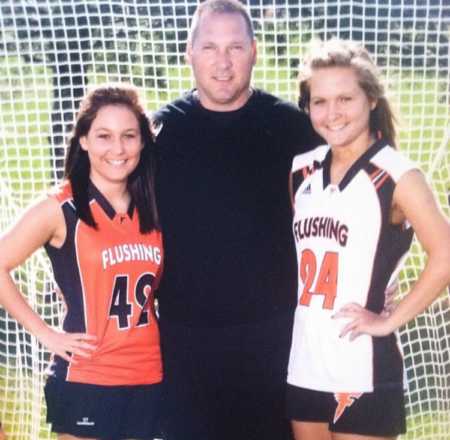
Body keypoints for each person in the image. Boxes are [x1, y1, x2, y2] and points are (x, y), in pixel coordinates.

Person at [152, 1, 321, 439]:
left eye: (235, 47)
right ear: (189, 52)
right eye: (209, 47)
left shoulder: (291, 128)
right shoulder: (160, 132)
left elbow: (343, 204)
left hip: (274, 335)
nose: (223, 62)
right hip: (184, 341)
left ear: (255, 52)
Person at [286, 38, 450, 440]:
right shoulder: (301, 172)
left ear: (371, 99)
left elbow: (445, 253)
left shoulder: (397, 175)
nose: (332, 113)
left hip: (364, 364)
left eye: (345, 98)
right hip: (306, 361)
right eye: (319, 101)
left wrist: (388, 319)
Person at [0, 84, 164, 439]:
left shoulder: (153, 204)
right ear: (84, 140)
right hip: (87, 377)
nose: (118, 149)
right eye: (104, 136)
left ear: (142, 142)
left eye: (129, 136)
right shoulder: (61, 207)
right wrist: (46, 334)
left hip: (148, 375)